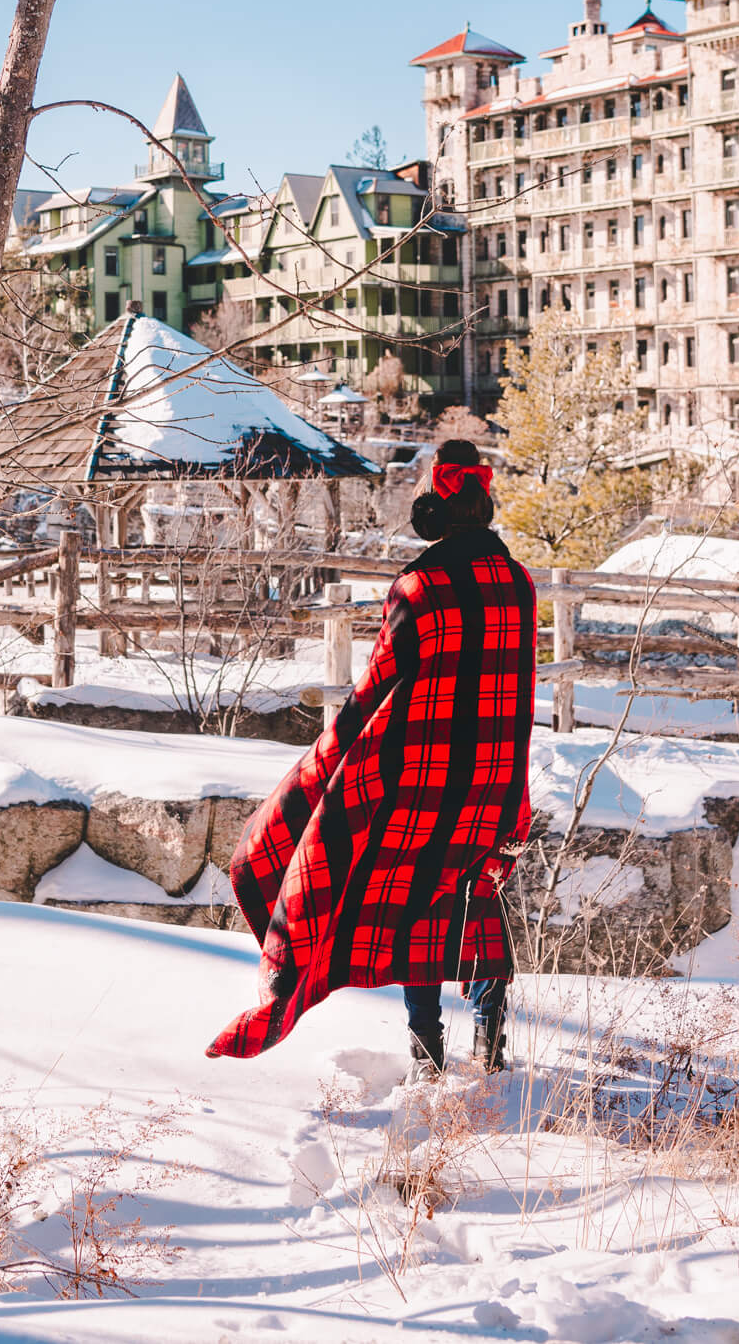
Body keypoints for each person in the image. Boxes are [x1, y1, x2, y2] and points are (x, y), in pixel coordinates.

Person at [206, 437, 536, 1076]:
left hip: (424, 785)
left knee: (418, 907)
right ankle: (492, 1048)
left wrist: (326, 762)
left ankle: (428, 1053)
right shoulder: (518, 583)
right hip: (498, 784)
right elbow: (519, 690)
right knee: (477, 898)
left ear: (434, 511)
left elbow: (380, 688)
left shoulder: (419, 588)